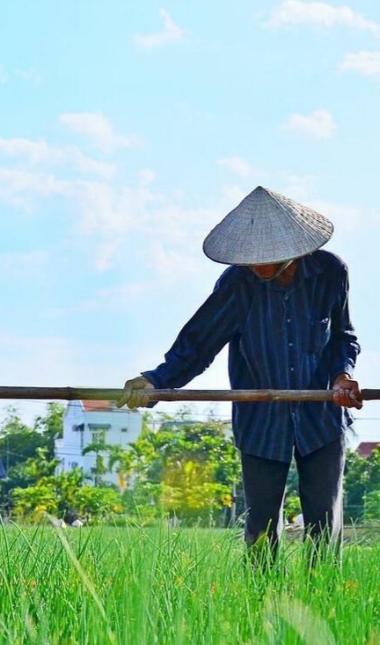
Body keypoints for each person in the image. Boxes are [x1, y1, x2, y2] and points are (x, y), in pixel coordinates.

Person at [118, 186, 362, 565]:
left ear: (292, 251)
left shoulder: (329, 272)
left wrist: (341, 376)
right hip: (261, 421)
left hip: (321, 418)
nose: (256, 266)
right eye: (250, 259)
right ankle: (261, 605)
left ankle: (325, 602)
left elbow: (343, 338)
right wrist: (156, 381)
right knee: (261, 531)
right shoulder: (237, 284)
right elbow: (198, 345)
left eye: (266, 258)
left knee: (323, 527)